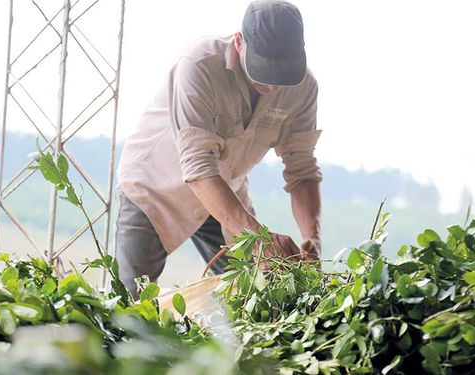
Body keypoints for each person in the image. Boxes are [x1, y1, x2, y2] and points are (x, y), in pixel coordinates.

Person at [116, 0, 322, 297]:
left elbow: (301, 167)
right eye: (264, 71)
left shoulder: (303, 88)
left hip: (226, 192)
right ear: (239, 43)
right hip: (155, 188)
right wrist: (260, 238)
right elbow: (199, 168)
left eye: (283, 74)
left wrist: (312, 239)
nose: (275, 86)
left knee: (254, 297)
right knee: (130, 304)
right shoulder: (198, 65)